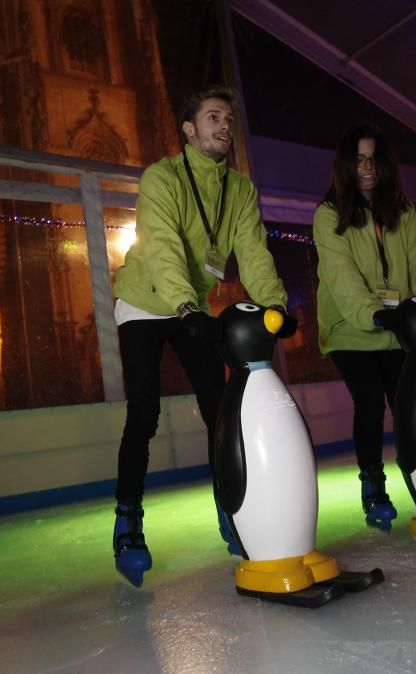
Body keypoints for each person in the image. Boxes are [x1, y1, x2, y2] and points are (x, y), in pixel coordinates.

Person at [110, 86, 296, 586]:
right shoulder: (161, 177)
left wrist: (275, 304)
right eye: (213, 117)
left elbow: (253, 251)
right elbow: (163, 244)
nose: (225, 126)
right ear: (189, 129)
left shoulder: (239, 189)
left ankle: (230, 506)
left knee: (220, 408)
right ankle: (128, 520)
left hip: (190, 305)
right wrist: (187, 305)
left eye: (229, 120)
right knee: (144, 410)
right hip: (147, 302)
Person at [313, 122, 416, 530]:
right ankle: (373, 485)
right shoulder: (329, 214)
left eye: (374, 159)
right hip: (349, 328)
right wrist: (372, 313)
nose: (367, 168)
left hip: (395, 329)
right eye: (359, 160)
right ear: (346, 165)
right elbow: (340, 274)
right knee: (371, 401)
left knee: (407, 403)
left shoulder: (402, 212)